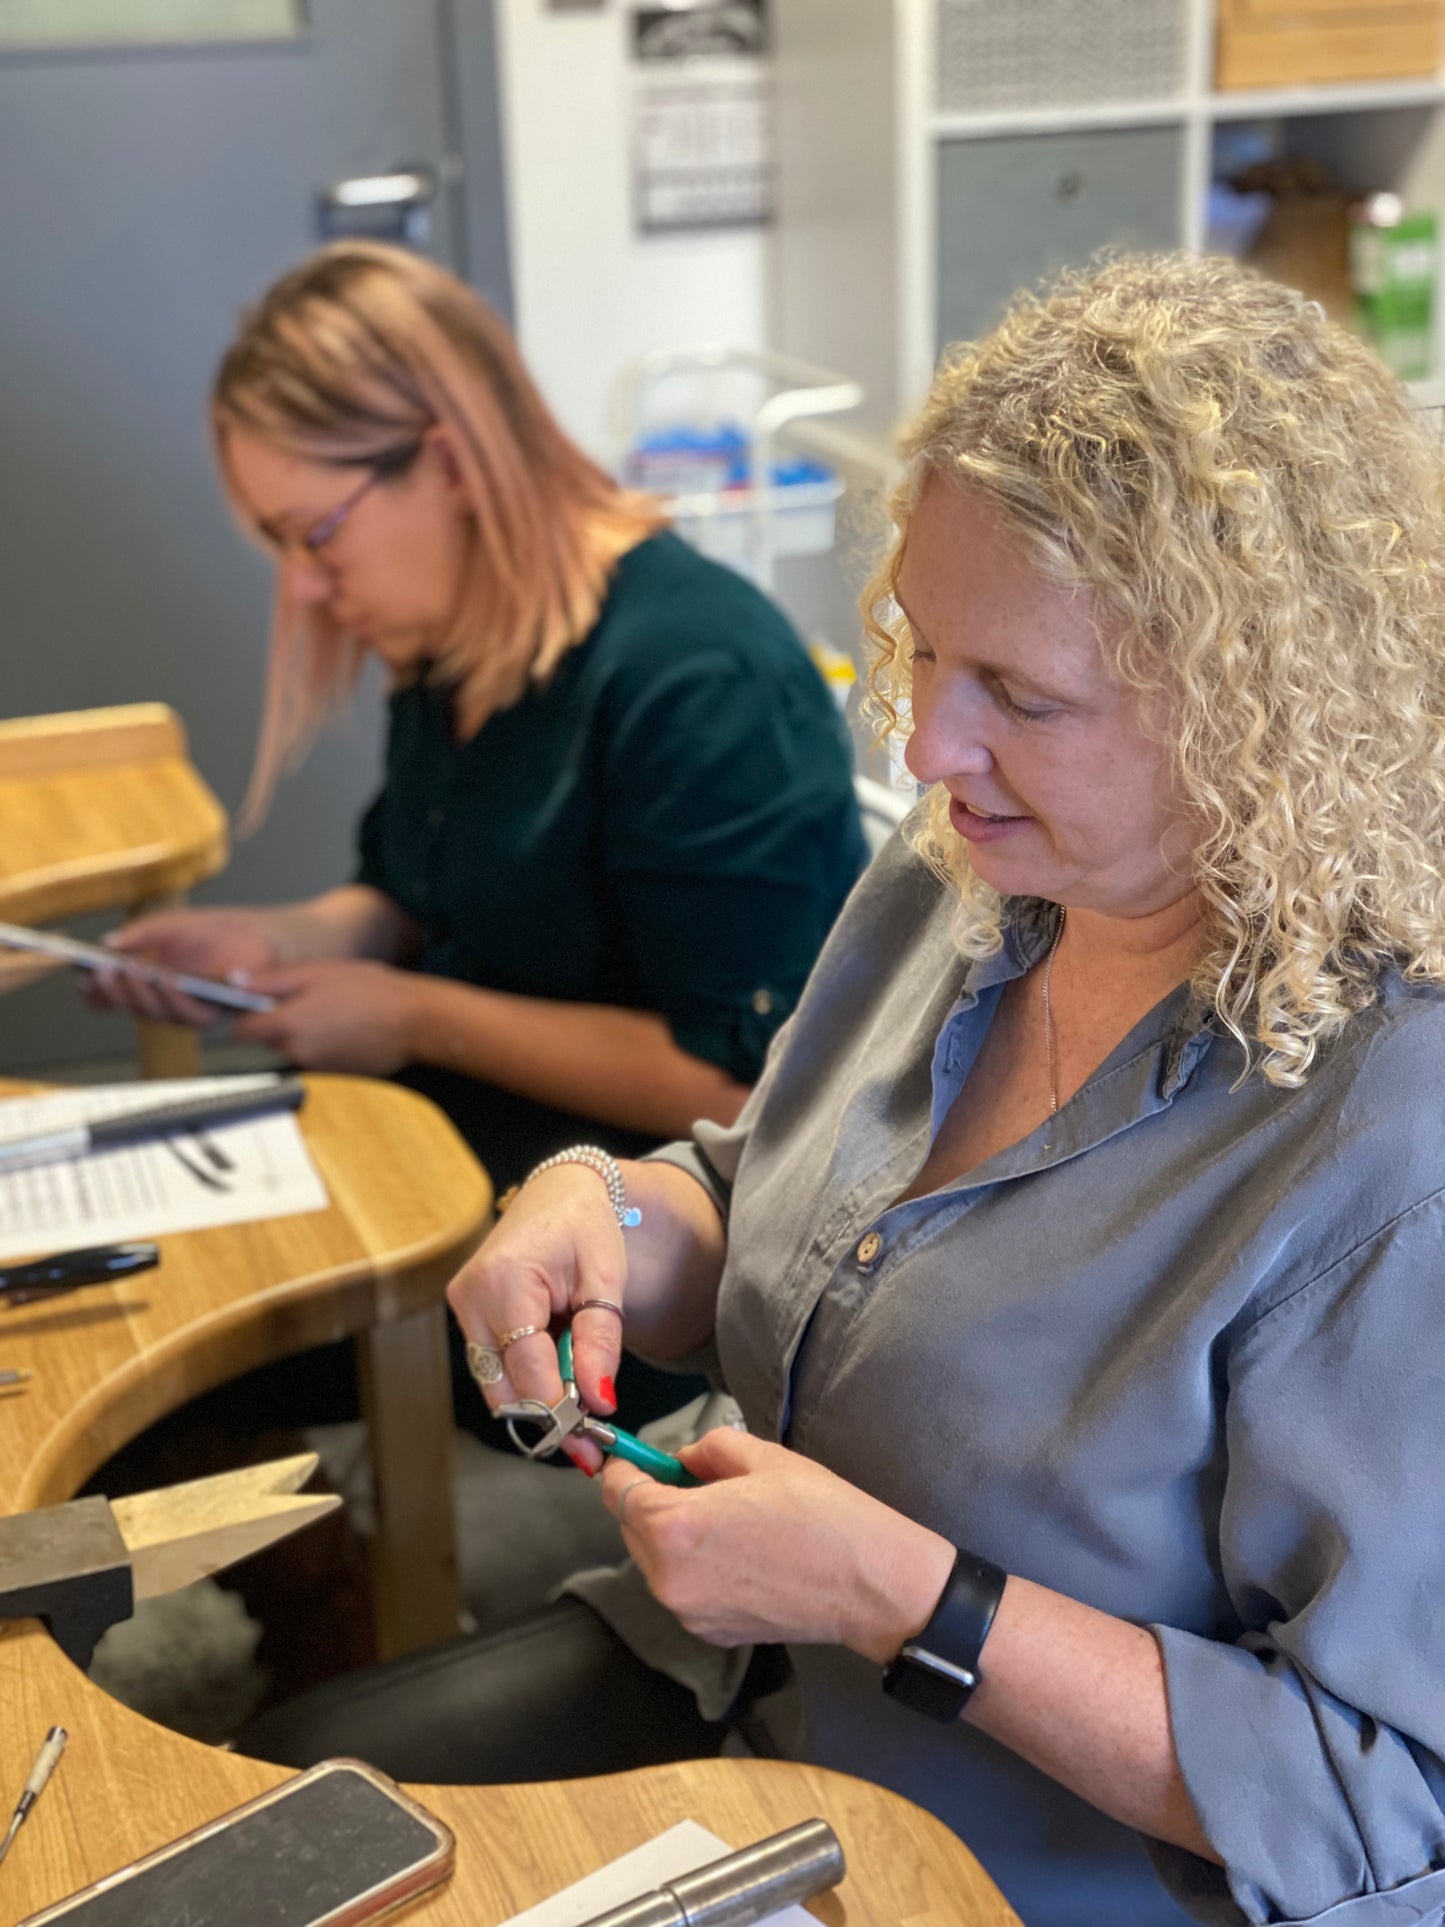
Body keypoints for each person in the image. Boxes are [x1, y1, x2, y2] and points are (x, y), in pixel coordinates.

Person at [423, 254, 1445, 1927]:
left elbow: (1381, 1806)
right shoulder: (967, 874)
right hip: (752, 1717)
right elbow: (785, 1205)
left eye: (1020, 697)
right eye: (920, 647)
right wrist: (607, 1207)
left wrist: (907, 1598)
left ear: (1262, 714)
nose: (924, 750)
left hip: (1018, 1872)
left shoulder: (1397, 1139)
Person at [90, 240, 867, 1425]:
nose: (300, 587)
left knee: (168, 1359)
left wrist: (409, 1014)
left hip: (636, 1232)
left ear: (445, 463)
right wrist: (276, 942)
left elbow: (729, 1076)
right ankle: (312, 1578)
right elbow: (414, 898)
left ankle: (324, 1586)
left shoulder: (699, 674)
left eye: (314, 532)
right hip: (448, 1132)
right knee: (142, 1274)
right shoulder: (458, 633)